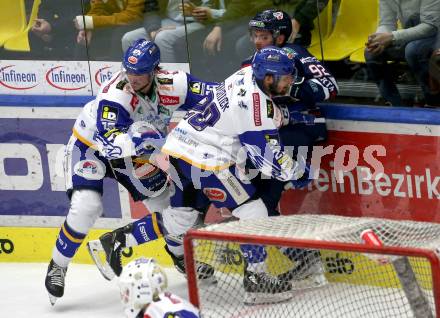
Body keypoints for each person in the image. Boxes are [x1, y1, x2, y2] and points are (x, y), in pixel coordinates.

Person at [44, 39, 215, 305]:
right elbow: (110, 140)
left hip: (136, 152)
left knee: (166, 206)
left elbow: (215, 97)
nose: (132, 79)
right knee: (86, 206)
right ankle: (58, 264)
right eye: (129, 72)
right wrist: (144, 140)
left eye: (140, 73)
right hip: (92, 148)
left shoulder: (175, 83)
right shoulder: (116, 94)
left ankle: (181, 256)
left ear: (156, 71)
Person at [239, 9, 338, 287]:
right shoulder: (250, 62)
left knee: (260, 203)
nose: (258, 41)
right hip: (267, 137)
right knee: (255, 203)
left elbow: (329, 86)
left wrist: (287, 87)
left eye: (264, 36)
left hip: (296, 133)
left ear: (280, 37)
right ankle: (302, 258)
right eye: (255, 35)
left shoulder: (296, 54)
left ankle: (266, 270)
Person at [364, 0, 439, 106]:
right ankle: (395, 105)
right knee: (372, 53)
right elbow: (387, 23)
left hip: (436, 35)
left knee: (413, 51)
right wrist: (378, 38)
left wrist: (392, 37)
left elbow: (430, 27)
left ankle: (433, 102)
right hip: (411, 36)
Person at [121, 0, 228, 62]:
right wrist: (153, 28)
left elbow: (216, 10)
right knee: (129, 38)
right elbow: (151, 8)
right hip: (170, 20)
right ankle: (139, 76)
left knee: (163, 38)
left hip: (201, 22)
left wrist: (199, 12)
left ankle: (171, 83)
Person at [118, 257, 199, 318]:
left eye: (127, 291)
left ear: (141, 288)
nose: (125, 296)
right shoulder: (164, 302)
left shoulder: (154, 312)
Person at [74, 0, 145, 60]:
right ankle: (80, 72)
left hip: (142, 24)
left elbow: (132, 15)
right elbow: (97, 8)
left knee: (120, 33)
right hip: (115, 23)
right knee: (84, 36)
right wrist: (87, 27)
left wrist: (92, 22)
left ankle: (115, 71)